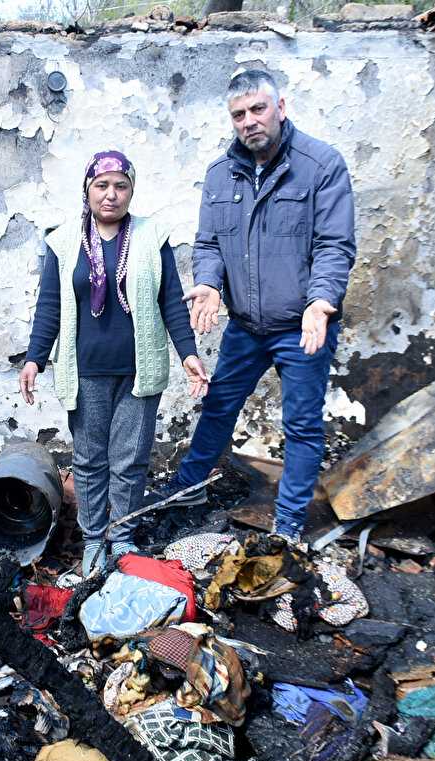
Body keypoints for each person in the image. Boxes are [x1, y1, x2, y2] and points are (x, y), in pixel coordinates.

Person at [148, 69, 356, 550]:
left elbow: (335, 245)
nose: (248, 121)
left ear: (280, 108)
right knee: (218, 407)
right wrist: (208, 284)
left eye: (258, 109)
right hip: (245, 325)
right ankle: (188, 488)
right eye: (238, 114)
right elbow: (209, 244)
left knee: (301, 426)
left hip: (301, 326)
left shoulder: (321, 164)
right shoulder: (221, 174)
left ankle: (286, 526)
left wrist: (321, 302)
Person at [20, 151, 209, 576]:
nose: (111, 194)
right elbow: (49, 306)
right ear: (88, 190)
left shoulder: (151, 236)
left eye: (120, 185)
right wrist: (35, 359)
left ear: (131, 191)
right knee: (88, 460)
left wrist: (189, 354)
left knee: (131, 459)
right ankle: (93, 541)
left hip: (139, 369)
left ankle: (122, 537)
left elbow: (171, 304)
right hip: (85, 370)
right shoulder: (64, 241)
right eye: (102, 185)